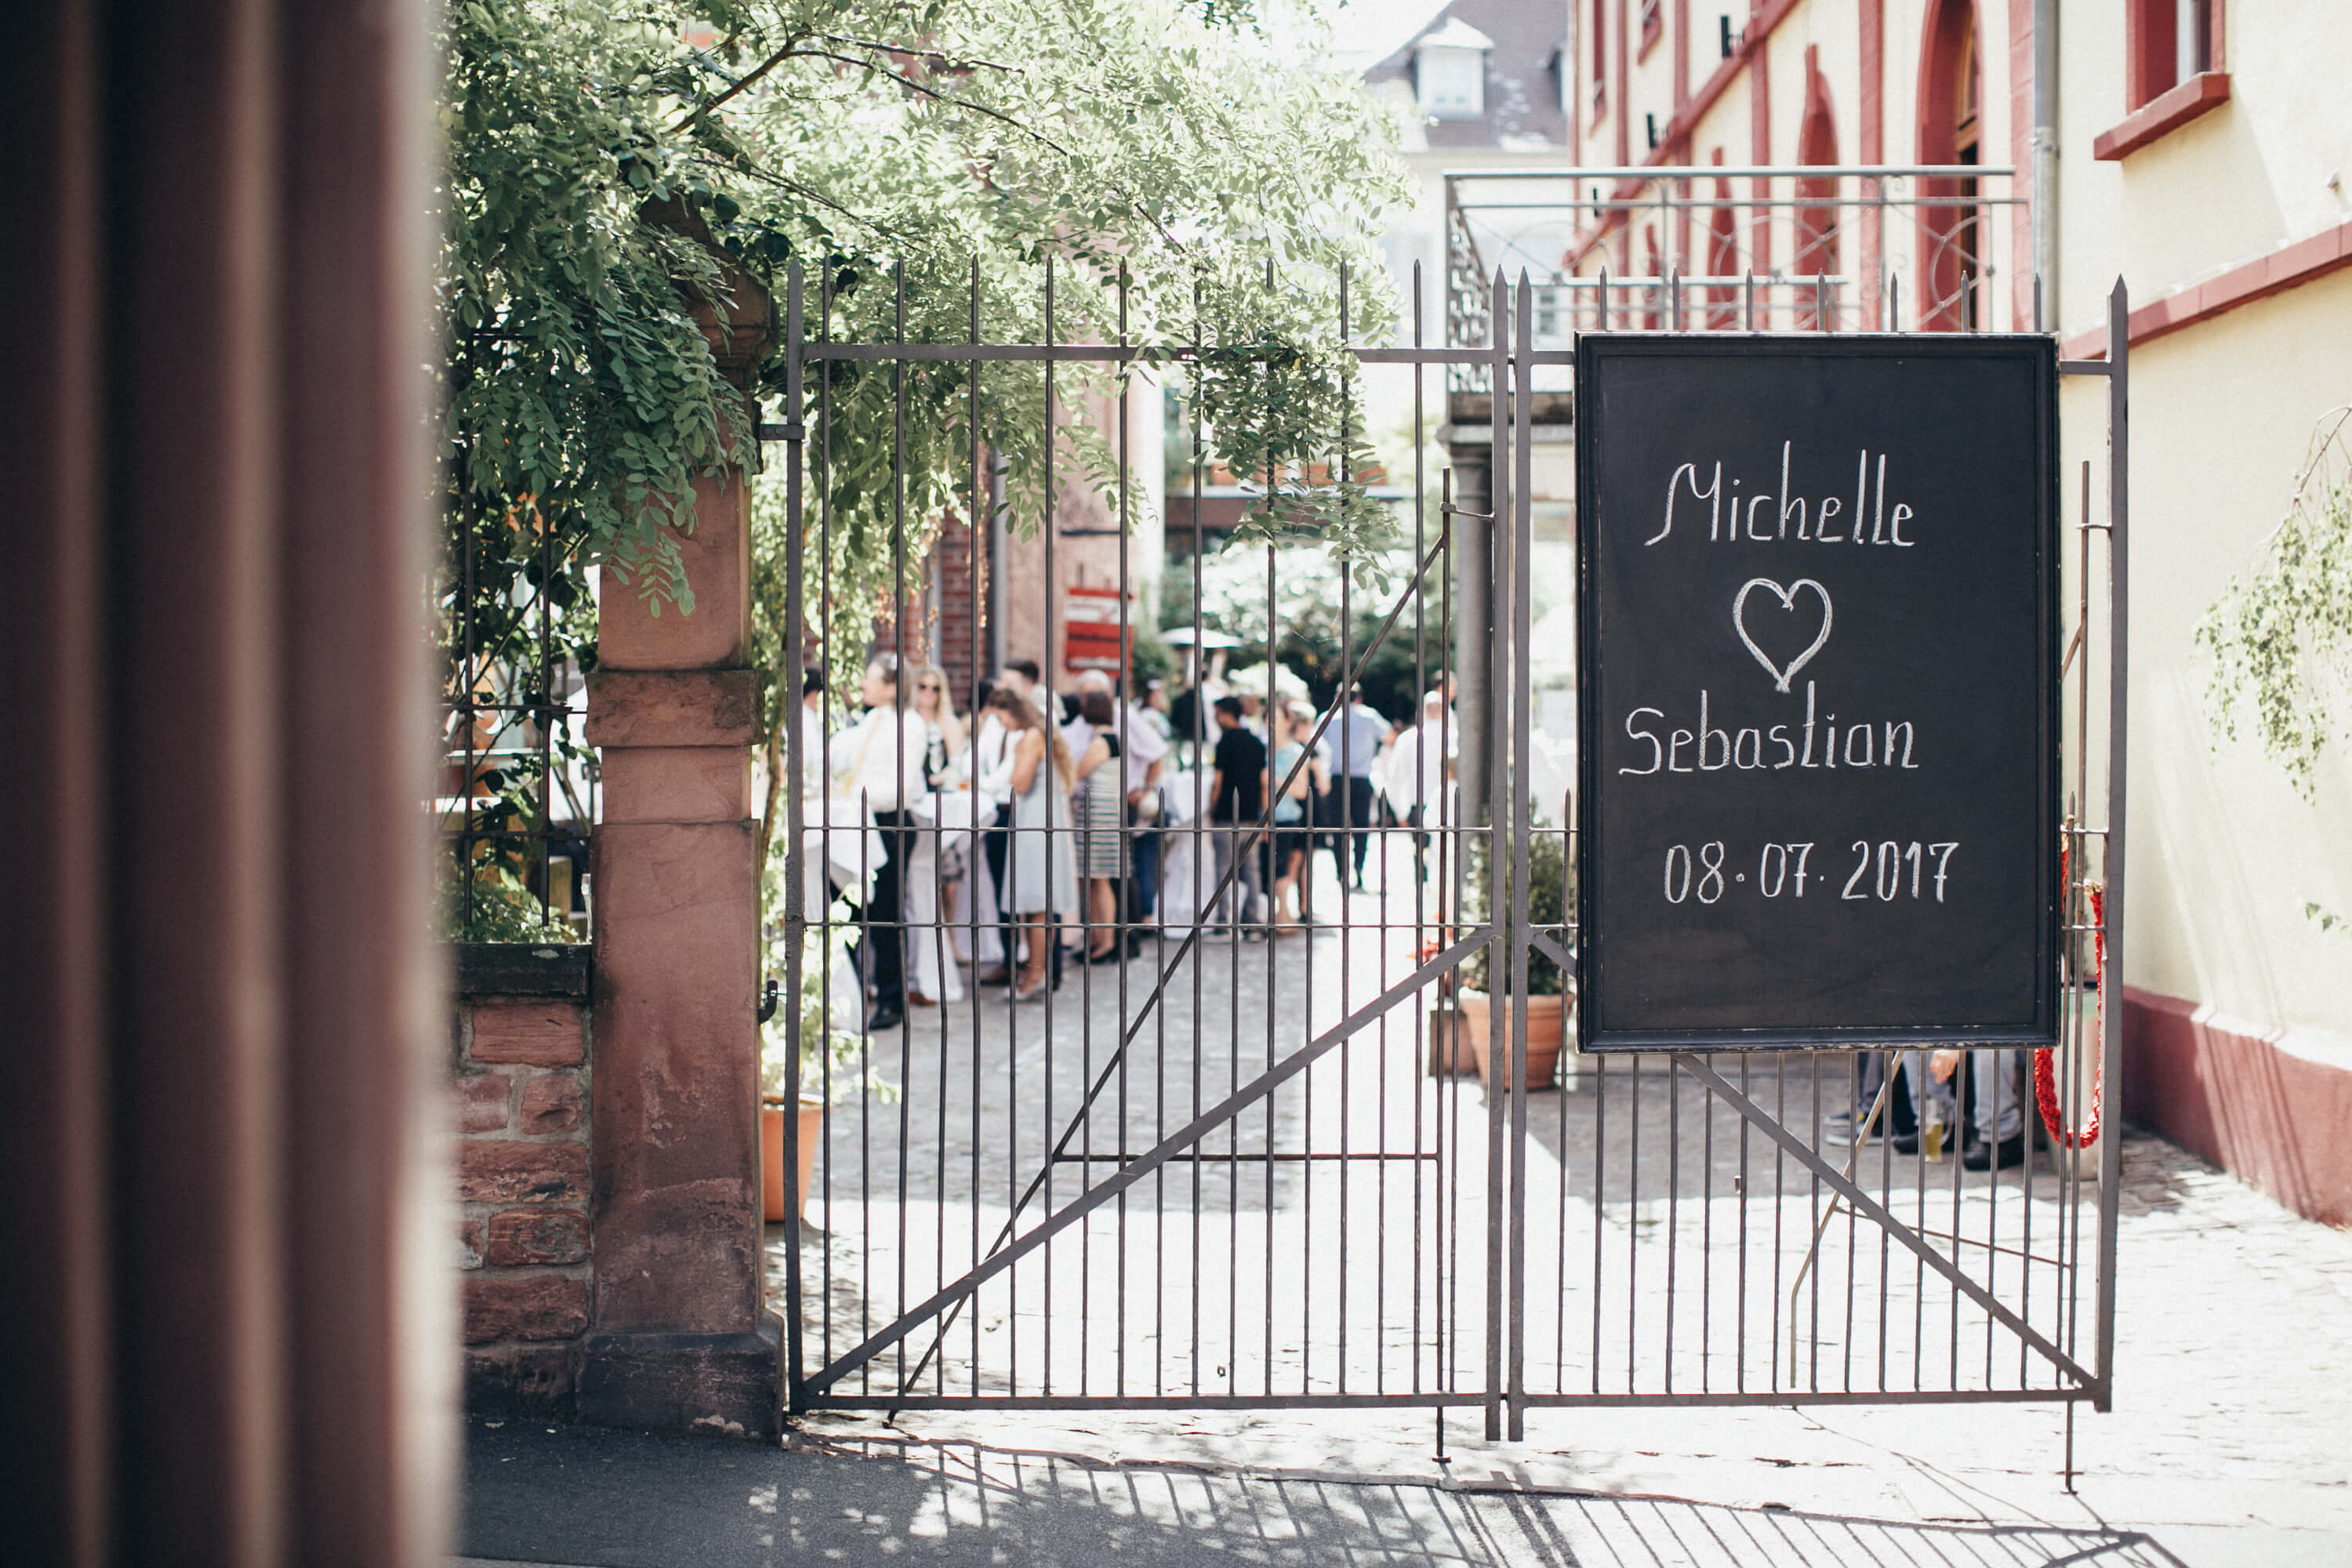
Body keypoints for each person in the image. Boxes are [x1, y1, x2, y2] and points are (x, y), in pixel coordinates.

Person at [826, 655, 931, 1032]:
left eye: (870, 679)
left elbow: (904, 785)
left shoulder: (911, 725)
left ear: (891, 687)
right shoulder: (867, 722)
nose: (863, 685)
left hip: (888, 823)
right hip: (855, 821)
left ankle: (891, 998)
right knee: (849, 910)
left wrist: (859, 795)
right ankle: (856, 993)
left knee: (886, 913)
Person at [988, 686, 1077, 1000]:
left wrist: (1013, 763)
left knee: (1037, 906)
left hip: (1034, 821)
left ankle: (1034, 975)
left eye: (1001, 718)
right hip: (1045, 818)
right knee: (1040, 904)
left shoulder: (1029, 738)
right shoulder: (1046, 736)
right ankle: (1038, 971)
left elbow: (1020, 783)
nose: (1000, 725)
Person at [1378, 689, 1455, 905]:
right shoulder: (1454, 736)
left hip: (1417, 803)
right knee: (1446, 852)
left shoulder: (1408, 738)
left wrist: (1400, 810)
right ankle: (1443, 899)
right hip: (1448, 801)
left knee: (1420, 854)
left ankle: (1424, 900)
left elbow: (1393, 777)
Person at [1205, 695, 1267, 934]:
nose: (1215, 718)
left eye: (1217, 713)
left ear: (1225, 713)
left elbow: (1218, 782)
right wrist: (1265, 816)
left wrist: (1211, 808)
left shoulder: (1224, 742)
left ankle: (1223, 921)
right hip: (1251, 815)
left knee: (1223, 868)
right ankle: (1251, 921)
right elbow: (1263, 782)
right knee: (1251, 869)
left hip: (1226, 815)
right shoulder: (1255, 742)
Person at [1071, 689, 1125, 962]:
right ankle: (1098, 937)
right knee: (1093, 878)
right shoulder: (1106, 739)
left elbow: (1076, 773)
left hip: (1099, 812)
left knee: (1099, 877)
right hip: (1099, 810)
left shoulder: (1101, 742)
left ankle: (1105, 940)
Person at [1267, 698, 1329, 935]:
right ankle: (1300, 907)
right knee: (1301, 860)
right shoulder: (1311, 748)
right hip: (1309, 809)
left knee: (1295, 860)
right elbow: (1323, 784)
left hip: (1304, 809)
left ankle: (1296, 907)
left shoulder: (1302, 749)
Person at [1324, 683, 1392, 893]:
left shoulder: (1328, 718)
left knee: (1338, 828)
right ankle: (1358, 868)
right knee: (1361, 828)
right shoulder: (1370, 716)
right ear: (1359, 698)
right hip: (1362, 779)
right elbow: (1389, 736)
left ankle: (1340, 872)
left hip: (1337, 779)